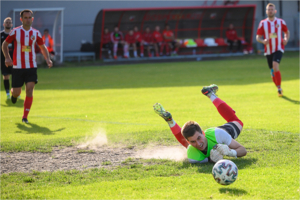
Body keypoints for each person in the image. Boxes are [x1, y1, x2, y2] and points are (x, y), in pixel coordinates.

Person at [153, 84, 247, 163]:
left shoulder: (219, 134)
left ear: (203, 132)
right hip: (204, 142)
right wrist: (211, 159)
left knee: (238, 122)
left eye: (199, 138)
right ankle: (210, 94)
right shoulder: (193, 157)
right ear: (189, 142)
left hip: (222, 132)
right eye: (193, 141)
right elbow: (206, 159)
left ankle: (211, 95)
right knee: (191, 148)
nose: (198, 143)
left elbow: (243, 150)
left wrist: (230, 152)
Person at [2, 9, 53, 123]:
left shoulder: (36, 33)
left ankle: (25, 117)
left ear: (32, 19)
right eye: (25, 17)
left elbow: (42, 47)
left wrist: (47, 59)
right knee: (17, 92)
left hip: (31, 67)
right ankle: (14, 95)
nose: (27, 19)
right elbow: (4, 44)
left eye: (29, 17)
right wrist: (7, 57)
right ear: (21, 19)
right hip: (17, 67)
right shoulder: (15, 32)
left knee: (29, 90)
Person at [256, 3, 289, 97]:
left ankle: (279, 88)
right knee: (272, 70)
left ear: (275, 11)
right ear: (266, 11)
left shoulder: (281, 22)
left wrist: (286, 39)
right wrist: (263, 41)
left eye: (272, 9)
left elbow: (287, 32)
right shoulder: (263, 23)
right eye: (268, 9)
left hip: (279, 48)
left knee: (275, 66)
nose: (270, 11)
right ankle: (278, 87)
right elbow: (258, 37)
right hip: (268, 50)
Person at [1, 17, 14, 99]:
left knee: (15, 76)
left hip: (14, 59)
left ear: (11, 24)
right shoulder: (1, 35)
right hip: (3, 59)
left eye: (9, 22)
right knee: (6, 76)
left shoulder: (14, 34)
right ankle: (7, 93)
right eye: (7, 22)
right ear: (4, 24)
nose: (8, 23)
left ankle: (15, 92)